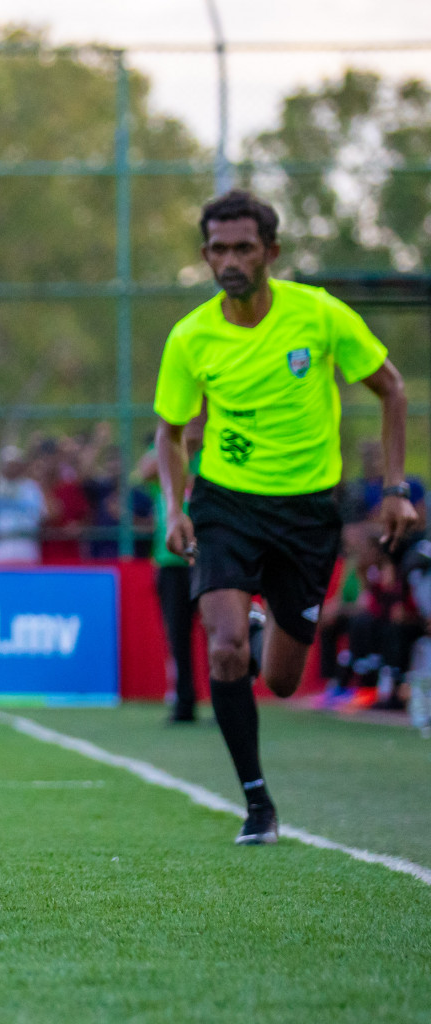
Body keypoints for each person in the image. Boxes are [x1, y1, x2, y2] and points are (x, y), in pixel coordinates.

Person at [155, 189, 415, 846]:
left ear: (271, 252)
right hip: (226, 506)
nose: (231, 259)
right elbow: (170, 432)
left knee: (280, 677)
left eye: (244, 247)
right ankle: (257, 804)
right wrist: (175, 507)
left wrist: (394, 487)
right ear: (206, 256)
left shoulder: (318, 315)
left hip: (307, 515)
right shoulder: (191, 337)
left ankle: (261, 617)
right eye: (219, 248)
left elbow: (391, 388)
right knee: (223, 651)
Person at [137, 417, 205, 721]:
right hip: (170, 561)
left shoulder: (214, 450)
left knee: (221, 633)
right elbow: (145, 471)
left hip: (208, 559)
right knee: (177, 636)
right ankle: (184, 703)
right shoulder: (163, 447)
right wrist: (183, 446)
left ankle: (226, 700)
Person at [0, 445, 45, 564]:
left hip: (27, 546)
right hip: (1, 546)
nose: (11, 468)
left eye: (15, 464)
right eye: (8, 464)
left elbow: (43, 515)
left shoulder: (32, 488)